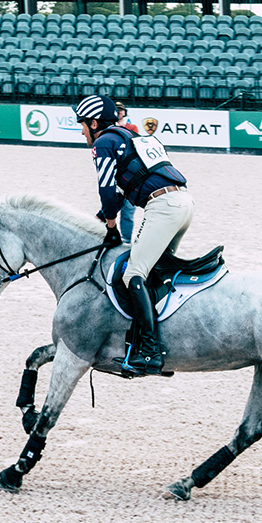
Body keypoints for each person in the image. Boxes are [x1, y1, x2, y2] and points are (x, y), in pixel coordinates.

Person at [76, 94, 193, 377]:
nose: (81, 131)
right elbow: (126, 186)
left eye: (82, 125)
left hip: (162, 207)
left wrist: (111, 226)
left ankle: (152, 352)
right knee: (155, 273)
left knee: (133, 275)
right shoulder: (130, 135)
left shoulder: (104, 143)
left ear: (94, 123)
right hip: (183, 202)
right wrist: (104, 213)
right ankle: (159, 343)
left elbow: (106, 188)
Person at [114, 101, 139, 243]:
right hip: (116, 173)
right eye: (117, 110)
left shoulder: (132, 127)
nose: (119, 112)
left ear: (124, 112)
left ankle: (126, 240)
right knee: (109, 209)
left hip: (129, 174)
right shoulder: (111, 128)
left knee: (128, 212)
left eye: (121, 110)